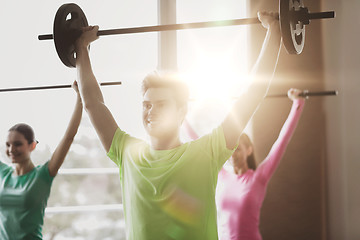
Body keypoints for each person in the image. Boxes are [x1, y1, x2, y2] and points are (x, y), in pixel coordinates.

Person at [74, 11, 281, 240]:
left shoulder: (205, 152)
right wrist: (82, 48)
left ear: (182, 111)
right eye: (147, 104)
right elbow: (93, 103)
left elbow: (252, 95)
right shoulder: (127, 152)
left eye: (161, 104)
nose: (151, 111)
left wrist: (273, 31)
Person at [216, 88, 306, 240]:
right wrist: (180, 113)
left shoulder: (259, 178)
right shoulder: (221, 175)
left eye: (238, 149)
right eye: (231, 149)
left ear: (249, 150)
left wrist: (298, 103)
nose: (232, 154)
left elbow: (282, 140)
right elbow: (195, 139)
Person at [0, 82, 83, 240]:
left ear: (32, 145)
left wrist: (80, 97)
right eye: (8, 145)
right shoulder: (3, 173)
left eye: (18, 144)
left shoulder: (42, 175)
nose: (11, 150)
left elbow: (69, 136)